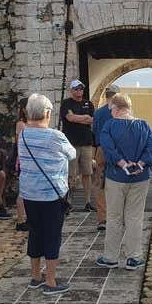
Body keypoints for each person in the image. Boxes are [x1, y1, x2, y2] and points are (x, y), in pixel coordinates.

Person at [18, 94, 76, 295]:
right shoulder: (55, 136)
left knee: (35, 233)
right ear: (47, 113)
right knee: (52, 235)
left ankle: (35, 276)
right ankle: (51, 281)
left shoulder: (23, 134)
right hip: (51, 195)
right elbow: (72, 154)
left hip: (29, 193)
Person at [95, 94, 152, 270]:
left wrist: (123, 164)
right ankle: (134, 257)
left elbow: (107, 148)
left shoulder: (109, 125)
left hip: (116, 176)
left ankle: (111, 258)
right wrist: (140, 163)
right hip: (140, 176)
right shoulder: (143, 125)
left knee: (114, 217)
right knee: (135, 217)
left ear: (115, 108)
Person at [59, 79, 95, 211]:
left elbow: (92, 120)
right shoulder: (66, 103)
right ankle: (68, 202)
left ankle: (88, 202)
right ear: (71, 90)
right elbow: (70, 118)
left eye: (81, 88)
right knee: (71, 174)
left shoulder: (88, 103)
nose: (79, 90)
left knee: (87, 173)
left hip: (86, 142)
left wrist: (78, 117)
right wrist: (84, 117)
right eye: (76, 88)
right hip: (71, 144)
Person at [91, 84, 119, 230]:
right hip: (116, 150)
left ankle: (102, 218)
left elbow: (94, 132)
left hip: (101, 149)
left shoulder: (98, 113)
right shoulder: (120, 111)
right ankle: (116, 217)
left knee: (100, 183)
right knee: (118, 183)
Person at [13, 97, 29, 231]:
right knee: (23, 191)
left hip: (29, 160)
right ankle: (20, 219)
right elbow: (20, 142)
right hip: (23, 160)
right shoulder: (21, 124)